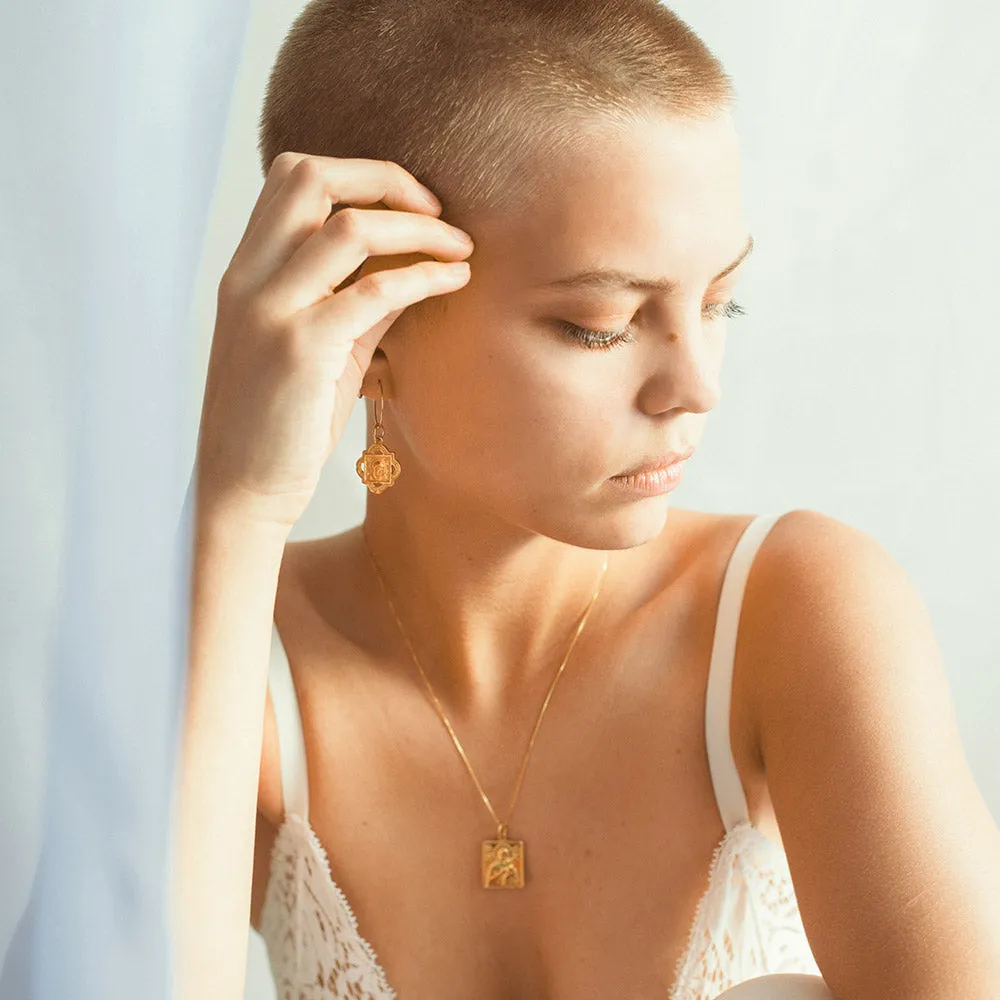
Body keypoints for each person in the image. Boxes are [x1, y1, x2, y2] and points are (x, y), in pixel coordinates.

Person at [173, 1, 1000, 998]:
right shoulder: (235, 656)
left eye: (716, 302)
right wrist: (240, 504)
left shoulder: (796, 608)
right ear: (372, 326)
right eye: (601, 325)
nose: (694, 387)